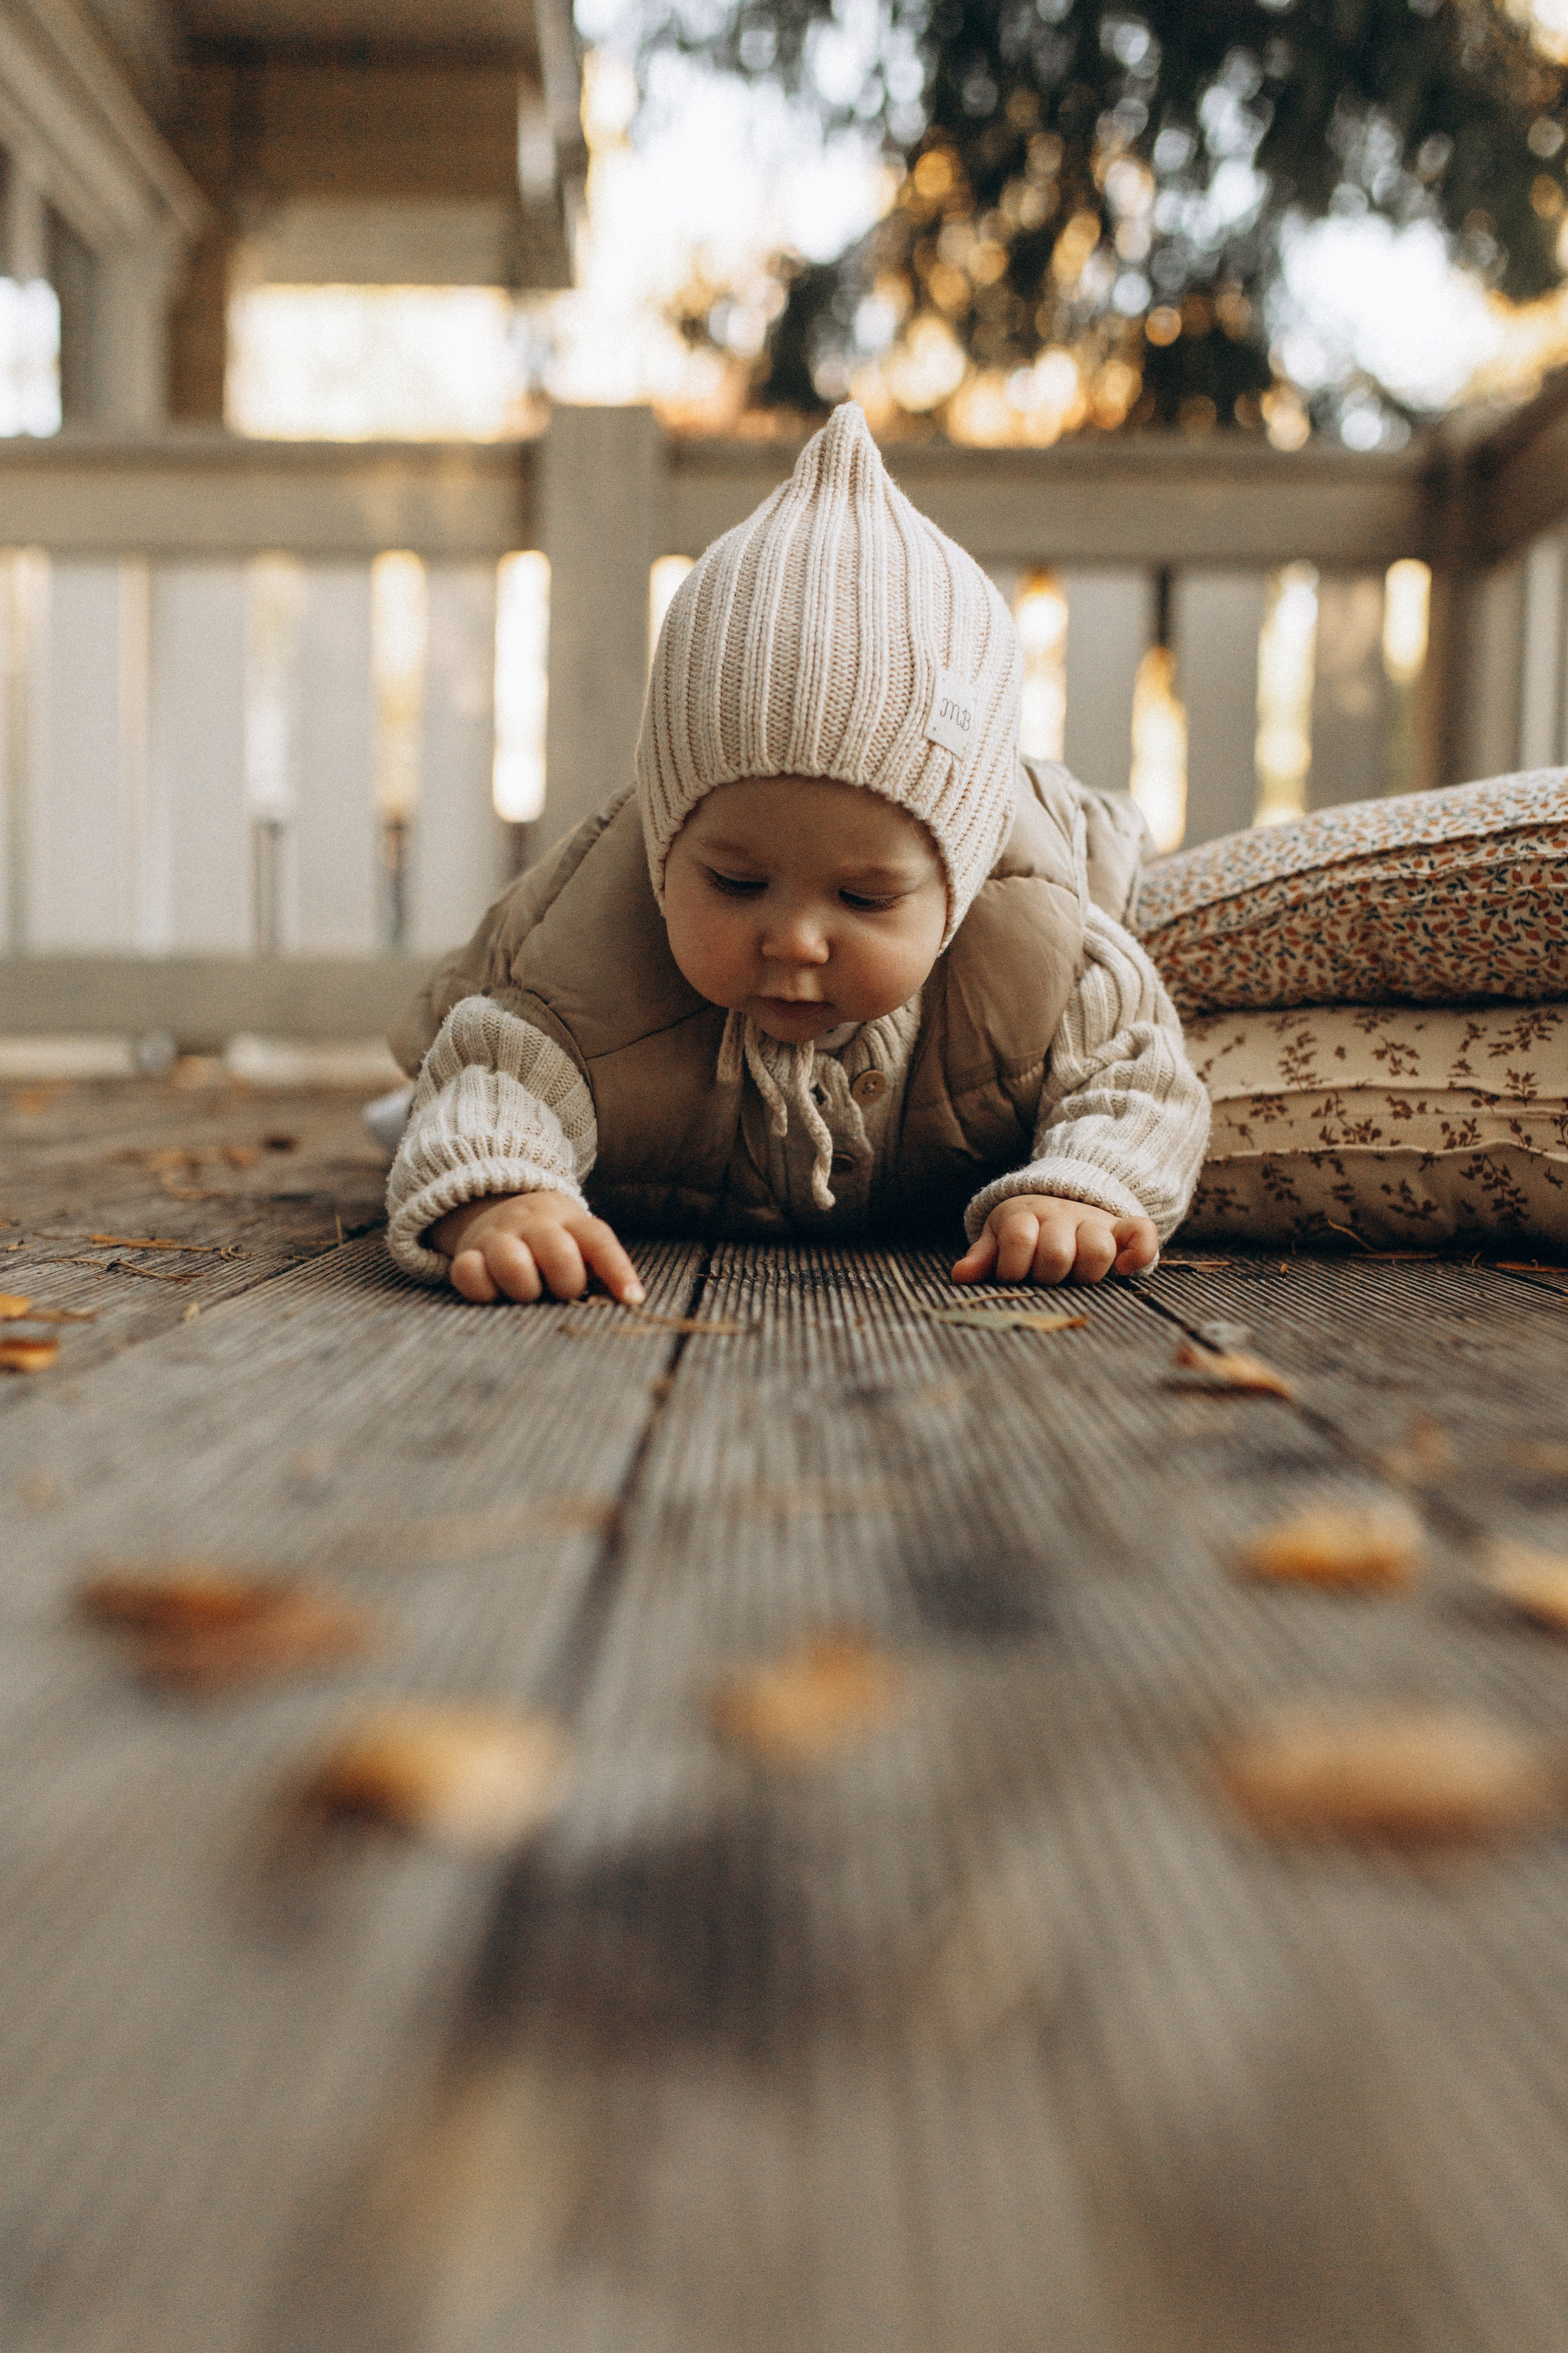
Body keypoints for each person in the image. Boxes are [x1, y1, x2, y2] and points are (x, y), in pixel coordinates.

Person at [384, 402, 1209, 1307]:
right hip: (653, 1186)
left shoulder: (1037, 961)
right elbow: (495, 1081)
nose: (796, 939)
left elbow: (1137, 1077)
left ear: (960, 882)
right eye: (737, 882)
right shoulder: (589, 969)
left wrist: (1079, 1189)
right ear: (666, 846)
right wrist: (504, 1194)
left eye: (865, 899)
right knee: (422, 1114)